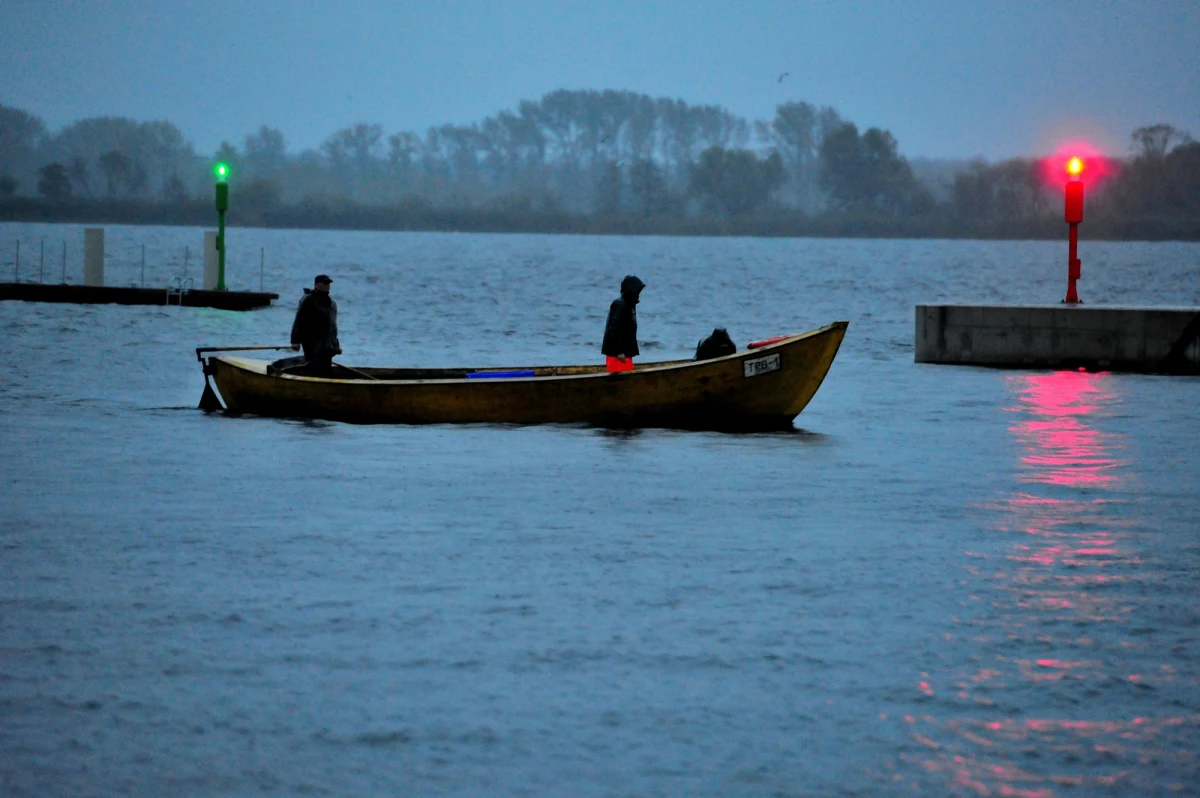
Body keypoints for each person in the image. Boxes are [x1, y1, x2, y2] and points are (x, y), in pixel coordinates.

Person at [290, 274, 341, 376]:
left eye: (328, 284)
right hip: (312, 342)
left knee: (326, 369)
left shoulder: (331, 303)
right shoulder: (309, 299)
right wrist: (295, 341)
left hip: (327, 344)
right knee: (313, 367)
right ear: (316, 285)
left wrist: (336, 344)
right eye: (324, 283)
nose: (327, 286)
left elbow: (332, 326)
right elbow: (299, 320)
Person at [601, 275, 645, 373]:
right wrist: (619, 352)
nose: (638, 294)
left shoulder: (629, 305)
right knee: (622, 378)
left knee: (628, 374)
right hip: (617, 355)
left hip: (623, 354)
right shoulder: (620, 305)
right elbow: (614, 329)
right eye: (637, 291)